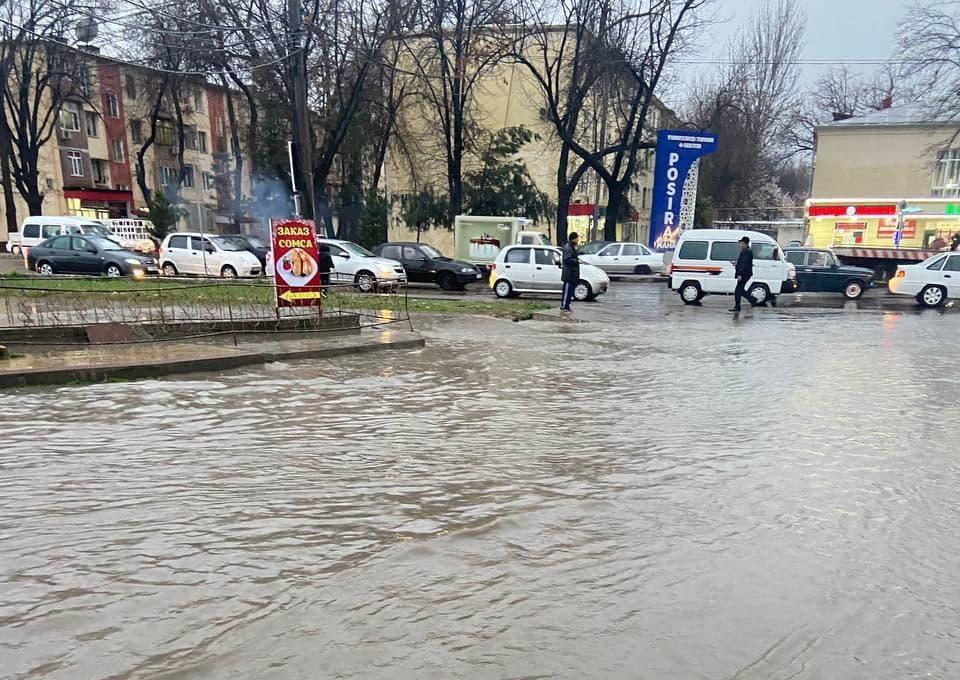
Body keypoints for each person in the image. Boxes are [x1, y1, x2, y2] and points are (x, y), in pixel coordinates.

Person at [730, 236, 755, 313]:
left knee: (738, 290)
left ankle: (738, 307)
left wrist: (740, 274)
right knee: (740, 290)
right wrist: (737, 264)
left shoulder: (746, 251)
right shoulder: (747, 250)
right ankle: (752, 300)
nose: (740, 244)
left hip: (744, 274)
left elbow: (744, 264)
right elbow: (743, 262)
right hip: (746, 273)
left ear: (744, 243)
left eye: (741, 242)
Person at [560, 232, 581, 315]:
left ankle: (567, 306)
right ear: (574, 238)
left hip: (572, 274)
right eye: (577, 238)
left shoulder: (572, 247)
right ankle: (564, 306)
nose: (578, 239)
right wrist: (576, 261)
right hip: (569, 274)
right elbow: (567, 259)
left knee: (570, 292)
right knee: (567, 291)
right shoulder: (568, 247)